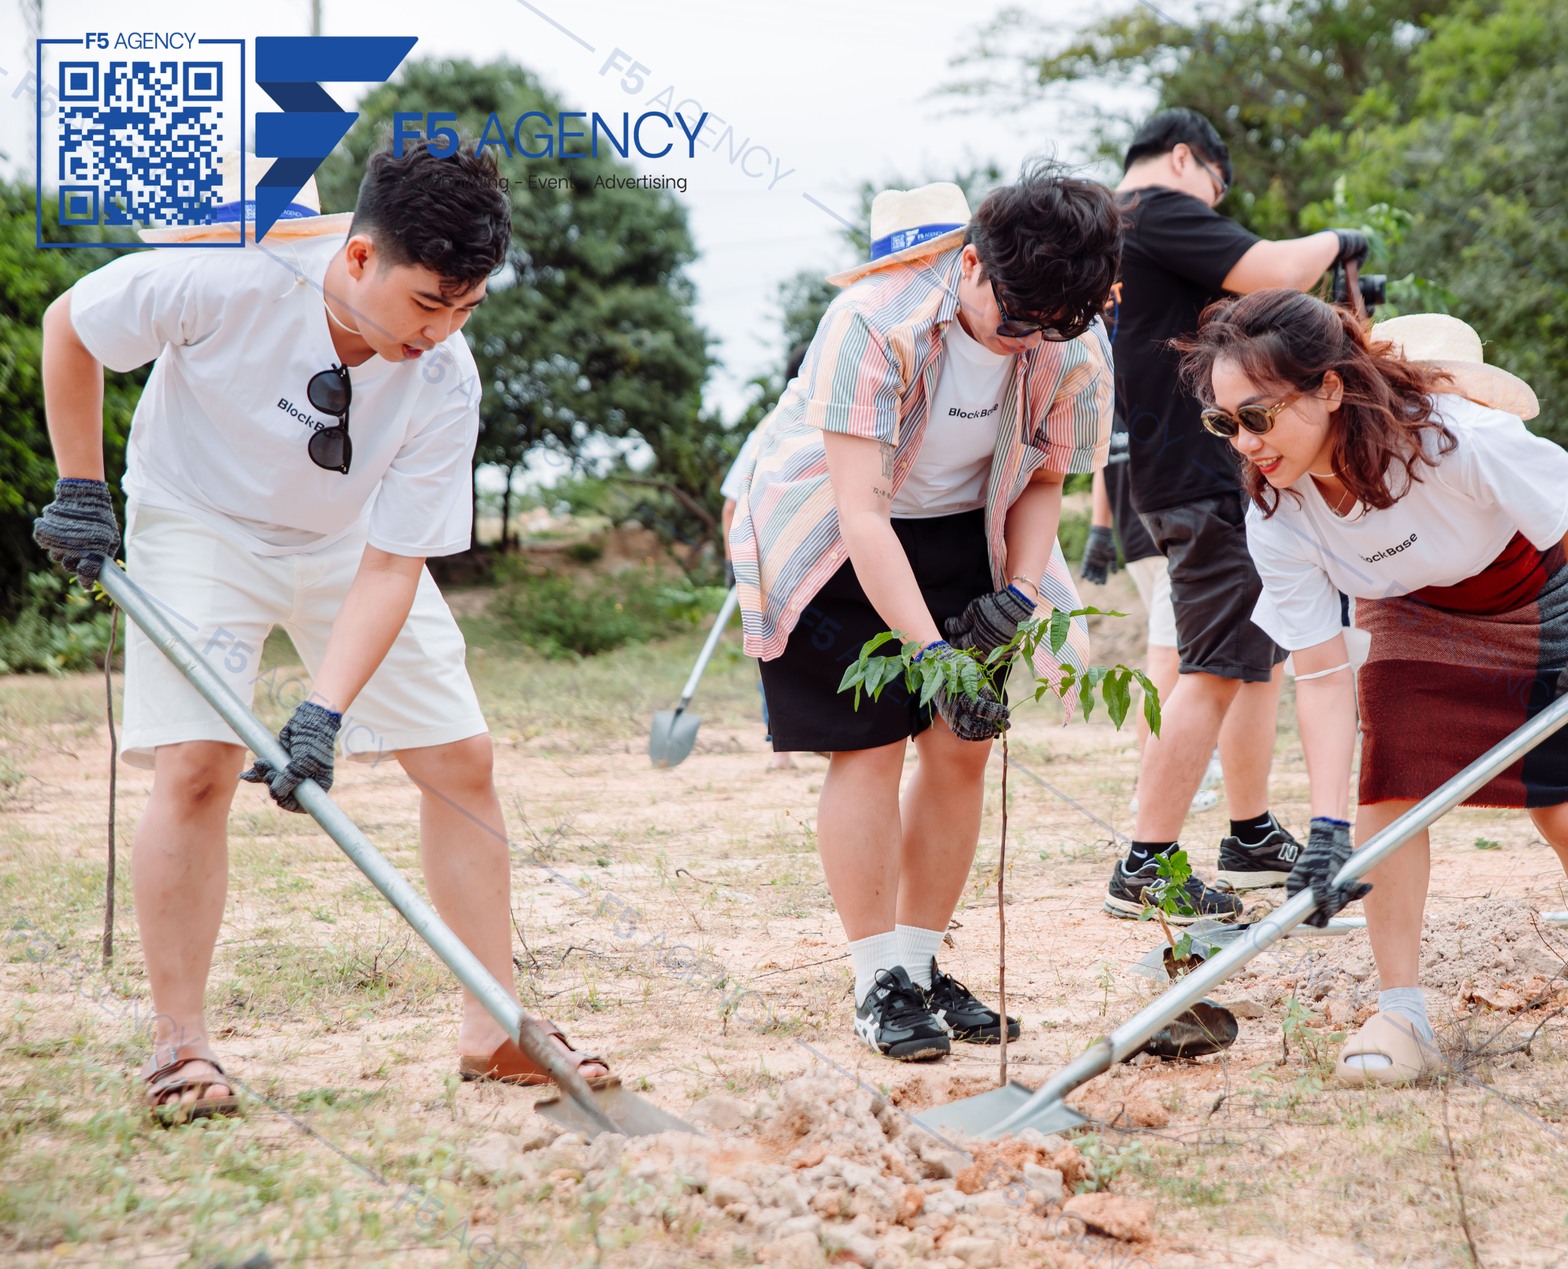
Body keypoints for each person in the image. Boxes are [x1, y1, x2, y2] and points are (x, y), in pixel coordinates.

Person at [30, 144, 621, 1123]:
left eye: (465, 308)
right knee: (196, 764)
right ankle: (180, 1046)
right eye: (428, 303)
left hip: (350, 544)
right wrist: (81, 488)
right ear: (356, 261)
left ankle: (493, 1025)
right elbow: (70, 326)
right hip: (199, 523)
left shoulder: (445, 377)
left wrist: (322, 713)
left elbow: (394, 565)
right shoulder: (225, 274)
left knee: (461, 759)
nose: (441, 331)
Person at [1176, 294, 1568, 1085]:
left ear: (1330, 387)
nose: (1243, 442)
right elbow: (1324, 676)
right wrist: (1330, 826)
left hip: (1526, 597)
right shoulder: (1279, 509)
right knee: (1389, 788)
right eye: (1223, 423)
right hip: (1407, 611)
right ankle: (1401, 1010)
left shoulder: (1454, 438)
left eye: (1257, 415)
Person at [726, 170, 1119, 1062]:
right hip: (838, 534)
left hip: (967, 530)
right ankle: (876, 980)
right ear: (973, 263)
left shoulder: (1073, 339)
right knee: (868, 745)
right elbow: (861, 512)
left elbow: (1044, 480)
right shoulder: (874, 320)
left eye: (1052, 330)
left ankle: (919, 960)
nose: (1028, 345)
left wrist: (1019, 596)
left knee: (960, 746)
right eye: (1015, 322)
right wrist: (934, 652)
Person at [1106, 108, 1381, 921]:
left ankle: (1250, 833)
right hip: (1201, 472)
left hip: (1172, 469)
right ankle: (1146, 862)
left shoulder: (1111, 237)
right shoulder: (1155, 210)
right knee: (1217, 664)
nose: (1214, 208)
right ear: (1186, 159)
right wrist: (1340, 242)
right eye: (1216, 191)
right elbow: (1276, 271)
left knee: (1253, 657)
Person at [1076, 416, 1221, 814]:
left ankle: (1192, 761)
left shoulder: (1115, 391)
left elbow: (1101, 464)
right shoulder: (1156, 389)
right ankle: (1153, 786)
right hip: (1168, 540)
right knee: (1167, 664)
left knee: (1177, 657)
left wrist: (1100, 530)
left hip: (1138, 538)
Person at [723, 342, 810, 770]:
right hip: (772, 562)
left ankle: (827, 736)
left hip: (825, 560)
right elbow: (731, 502)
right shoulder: (771, 427)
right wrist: (734, 565)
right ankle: (782, 744)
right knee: (775, 648)